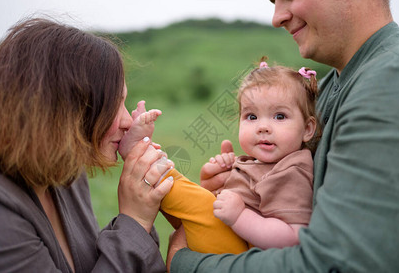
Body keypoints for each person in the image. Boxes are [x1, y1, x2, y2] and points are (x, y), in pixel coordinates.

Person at [167, 0, 399, 272]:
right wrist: (237, 188)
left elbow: (339, 264)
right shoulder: (331, 88)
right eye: (274, 0)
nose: (276, 17)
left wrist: (187, 263)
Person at [0, 17, 174, 272]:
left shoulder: (67, 176)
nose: (127, 121)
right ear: (67, 111)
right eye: (114, 104)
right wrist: (134, 221)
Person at [119, 59, 320, 253]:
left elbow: (293, 236)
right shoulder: (265, 163)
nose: (263, 127)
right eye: (252, 116)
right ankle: (143, 160)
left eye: (279, 116)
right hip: (230, 240)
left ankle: (138, 153)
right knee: (177, 197)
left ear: (307, 129)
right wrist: (229, 174)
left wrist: (240, 216)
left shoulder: (292, 171)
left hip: (243, 253)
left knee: (191, 200)